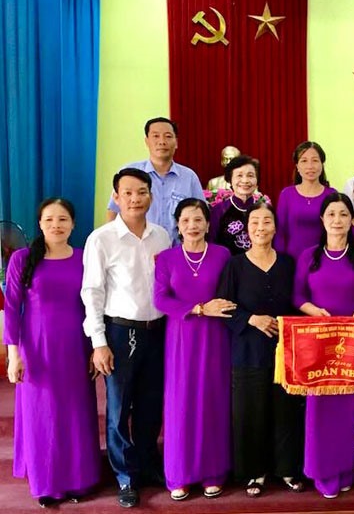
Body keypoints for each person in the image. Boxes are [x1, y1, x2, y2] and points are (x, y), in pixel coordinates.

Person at [82, 168, 172, 508]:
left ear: (151, 195)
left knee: (151, 403)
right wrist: (99, 342)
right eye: (128, 193)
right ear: (116, 197)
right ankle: (124, 475)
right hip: (120, 331)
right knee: (119, 407)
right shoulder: (101, 239)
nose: (136, 199)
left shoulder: (161, 235)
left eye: (142, 192)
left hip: (157, 330)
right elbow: (92, 292)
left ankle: (148, 464)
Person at [4, 198, 101, 508]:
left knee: (75, 413)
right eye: (49, 219)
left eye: (62, 219)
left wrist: (96, 347)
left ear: (73, 224)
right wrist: (13, 355)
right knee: (42, 415)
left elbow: (95, 305)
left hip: (76, 346)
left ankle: (78, 480)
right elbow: (12, 309)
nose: (56, 225)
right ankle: (45, 482)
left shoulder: (85, 258)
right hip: (37, 348)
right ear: (40, 224)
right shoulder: (22, 258)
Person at [217, 201, 305, 497]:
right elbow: (224, 308)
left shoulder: (289, 264)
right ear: (246, 228)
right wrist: (251, 319)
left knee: (286, 410)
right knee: (250, 411)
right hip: (247, 350)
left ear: (275, 228)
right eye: (254, 222)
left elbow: (299, 302)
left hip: (286, 351)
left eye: (267, 221)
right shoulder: (235, 265)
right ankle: (254, 472)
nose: (260, 227)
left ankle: (288, 468)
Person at [154, 198, 236, 500]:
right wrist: (199, 308)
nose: (192, 225)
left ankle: (213, 472)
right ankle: (180, 473)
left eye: (198, 219)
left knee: (214, 400)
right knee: (182, 402)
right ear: (178, 225)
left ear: (208, 223)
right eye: (186, 220)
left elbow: (230, 293)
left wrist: (216, 309)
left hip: (217, 337)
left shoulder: (223, 254)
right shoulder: (166, 258)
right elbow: (160, 299)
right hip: (181, 337)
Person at [294, 193, 354, 499]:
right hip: (319, 342)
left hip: (353, 343)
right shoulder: (309, 256)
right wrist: (314, 311)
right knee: (321, 409)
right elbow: (297, 296)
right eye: (331, 214)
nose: (337, 220)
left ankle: (348, 468)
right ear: (322, 220)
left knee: (350, 408)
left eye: (343, 214)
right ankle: (323, 471)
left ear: (351, 219)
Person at [105, 117, 205, 244]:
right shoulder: (129, 173)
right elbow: (113, 211)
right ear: (147, 141)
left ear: (176, 142)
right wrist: (111, 242)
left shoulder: (189, 177)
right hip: (137, 247)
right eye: (156, 136)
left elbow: (202, 214)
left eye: (168, 136)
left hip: (179, 250)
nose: (162, 141)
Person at [274, 141, 337, 260]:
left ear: (322, 164)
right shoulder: (287, 194)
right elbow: (280, 233)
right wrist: (280, 261)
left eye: (315, 160)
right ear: (297, 166)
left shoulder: (331, 194)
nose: (310, 166)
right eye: (304, 161)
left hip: (323, 259)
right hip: (291, 260)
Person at [209, 155, 261, 255]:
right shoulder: (219, 210)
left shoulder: (263, 210)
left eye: (250, 176)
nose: (245, 181)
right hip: (227, 263)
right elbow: (212, 244)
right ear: (230, 180)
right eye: (239, 176)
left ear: (257, 180)